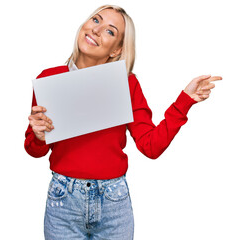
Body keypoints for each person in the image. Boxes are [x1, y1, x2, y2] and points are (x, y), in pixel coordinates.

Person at [24, 4, 222, 240]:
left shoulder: (126, 84)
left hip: (113, 203)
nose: (96, 30)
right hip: (63, 201)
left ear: (117, 50)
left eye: (110, 31)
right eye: (96, 20)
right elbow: (34, 150)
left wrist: (185, 101)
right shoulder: (49, 79)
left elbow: (151, 146)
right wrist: (38, 137)